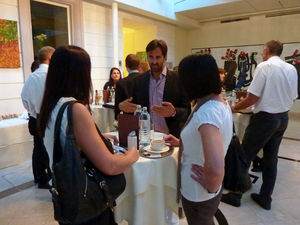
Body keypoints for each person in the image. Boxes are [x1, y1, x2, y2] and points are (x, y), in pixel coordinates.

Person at [38, 45, 139, 225]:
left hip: (67, 196)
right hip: (87, 201)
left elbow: (68, 141)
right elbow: (111, 165)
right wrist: (132, 154)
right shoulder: (75, 109)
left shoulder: (50, 105)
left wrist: (101, 136)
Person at [222, 40, 298, 210]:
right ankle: (265, 198)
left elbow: (252, 98)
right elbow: (292, 98)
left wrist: (233, 108)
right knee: (271, 158)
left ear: (266, 51)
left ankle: (236, 194)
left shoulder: (264, 67)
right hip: (282, 119)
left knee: (244, 155)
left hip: (265, 119)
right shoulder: (291, 69)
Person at [164, 54, 233, 225]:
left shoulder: (206, 112)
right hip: (204, 191)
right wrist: (183, 143)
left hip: (198, 191)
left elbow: (216, 167)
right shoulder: (218, 103)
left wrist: (211, 184)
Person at [119, 39, 191, 138]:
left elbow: (187, 110)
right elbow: (135, 109)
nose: (154, 61)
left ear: (165, 57)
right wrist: (122, 107)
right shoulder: (139, 81)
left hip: (171, 137)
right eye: (151, 57)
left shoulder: (178, 79)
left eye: (158, 57)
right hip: (146, 138)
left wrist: (174, 112)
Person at [21, 46, 55, 189]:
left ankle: (39, 177)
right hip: (49, 117)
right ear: (50, 58)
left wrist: (33, 111)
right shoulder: (52, 76)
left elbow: (24, 98)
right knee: (50, 148)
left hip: (35, 117)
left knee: (38, 148)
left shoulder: (31, 77)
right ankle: (49, 178)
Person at [115, 54, 140, 119]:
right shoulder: (146, 80)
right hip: (144, 118)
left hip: (127, 119)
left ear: (126, 65)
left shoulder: (120, 83)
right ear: (139, 65)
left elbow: (117, 107)